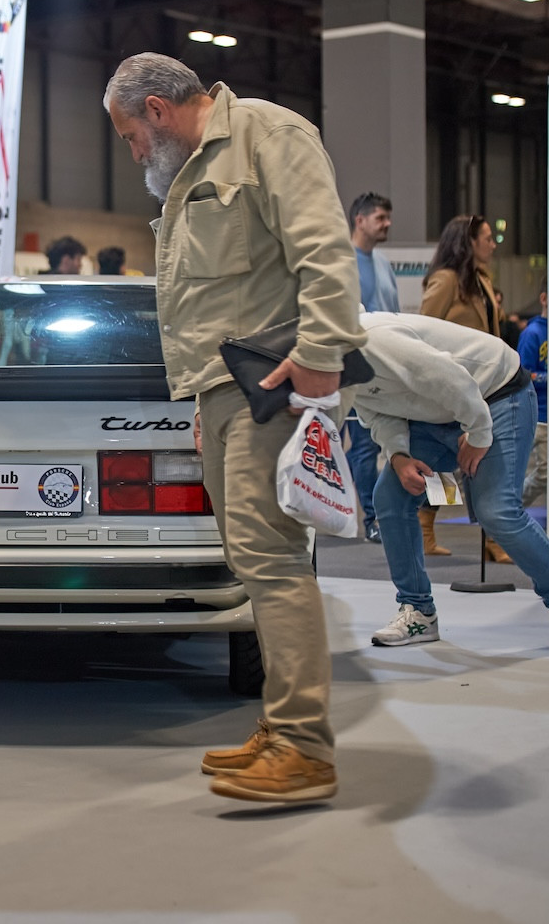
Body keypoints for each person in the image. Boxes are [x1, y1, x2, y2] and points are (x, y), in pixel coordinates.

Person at [104, 52, 365, 803]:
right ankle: (282, 724)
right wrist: (199, 402)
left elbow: (324, 250)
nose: (132, 153)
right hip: (222, 392)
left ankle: (304, 747)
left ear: (158, 110)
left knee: (272, 559)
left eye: (129, 136)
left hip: (273, 387)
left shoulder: (269, 137)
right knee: (253, 562)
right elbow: (204, 303)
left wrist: (321, 355)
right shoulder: (190, 172)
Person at [351, 311, 549, 653]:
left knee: (497, 511)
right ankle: (419, 611)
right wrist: (398, 455)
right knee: (389, 498)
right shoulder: (328, 369)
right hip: (437, 414)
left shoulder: (374, 339)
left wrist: (477, 432)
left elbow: (451, 378)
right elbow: (374, 409)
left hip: (497, 392)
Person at [417, 214, 504, 559]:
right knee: (445, 460)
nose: (492, 244)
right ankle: (425, 531)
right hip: (450, 386)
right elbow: (423, 330)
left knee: (482, 460)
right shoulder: (446, 280)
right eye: (486, 237)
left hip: (482, 385)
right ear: (468, 242)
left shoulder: (479, 280)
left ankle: (491, 539)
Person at [345, 192, 399, 542]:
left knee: (378, 446)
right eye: (380, 217)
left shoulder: (383, 263)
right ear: (359, 220)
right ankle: (373, 519)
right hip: (355, 367)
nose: (387, 224)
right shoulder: (342, 261)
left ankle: (375, 512)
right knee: (364, 445)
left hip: (385, 364)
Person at [519, 281, 548, 507]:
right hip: (538, 416)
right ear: (544, 299)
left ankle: (513, 507)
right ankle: (511, 508)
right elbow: (523, 374)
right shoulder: (533, 333)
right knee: (541, 473)